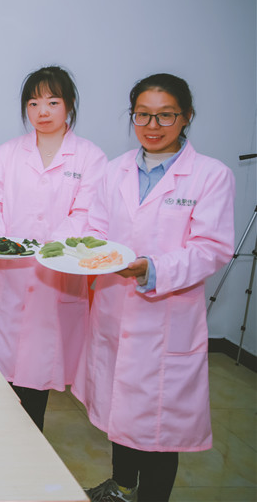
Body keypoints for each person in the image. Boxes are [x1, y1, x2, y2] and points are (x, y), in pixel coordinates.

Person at [74, 74, 235, 502]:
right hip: (114, 307)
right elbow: (95, 229)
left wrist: (154, 269)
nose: (152, 125)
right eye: (142, 115)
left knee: (161, 426)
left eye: (165, 115)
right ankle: (122, 487)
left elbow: (212, 249)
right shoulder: (115, 170)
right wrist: (80, 251)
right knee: (121, 409)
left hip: (168, 316)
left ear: (186, 117)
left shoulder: (209, 175)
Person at [0, 66, 107, 431]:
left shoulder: (90, 157)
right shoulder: (6, 153)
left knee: (36, 377)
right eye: (33, 103)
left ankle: (27, 447)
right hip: (8, 279)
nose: (42, 111)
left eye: (52, 101)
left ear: (69, 104)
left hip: (55, 278)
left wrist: (47, 246)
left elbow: (86, 214)